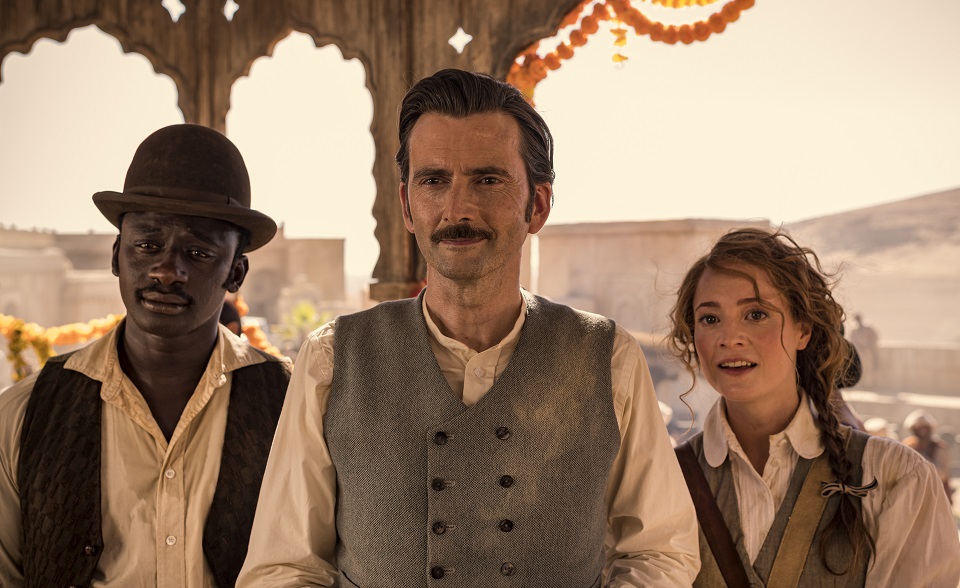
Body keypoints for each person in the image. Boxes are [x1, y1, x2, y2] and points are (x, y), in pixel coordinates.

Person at [238, 69, 699, 587]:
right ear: (407, 205)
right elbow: (283, 567)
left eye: (487, 180)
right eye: (434, 181)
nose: (457, 208)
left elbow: (662, 550)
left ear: (537, 205)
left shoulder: (609, 358)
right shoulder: (330, 360)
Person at [0, 124, 290, 586]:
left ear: (236, 273)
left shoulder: (292, 407)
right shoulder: (24, 416)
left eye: (198, 253)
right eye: (148, 245)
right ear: (117, 255)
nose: (167, 271)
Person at [667, 227, 960, 587]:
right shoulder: (665, 479)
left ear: (802, 330)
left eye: (756, 314)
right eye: (710, 319)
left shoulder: (895, 477)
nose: (729, 338)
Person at [902, 410, 953, 500]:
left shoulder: (939, 447)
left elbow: (942, 474)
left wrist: (921, 457)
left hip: (934, 492)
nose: (922, 432)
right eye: (919, 428)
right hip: (912, 493)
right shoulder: (908, 445)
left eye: (924, 428)